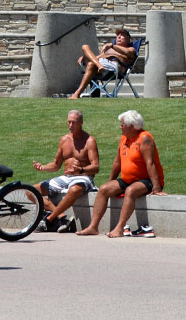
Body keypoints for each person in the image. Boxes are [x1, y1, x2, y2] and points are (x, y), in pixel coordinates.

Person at [78, 110, 163, 239]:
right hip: (127, 179)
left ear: (132, 126)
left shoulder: (145, 139)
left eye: (122, 124)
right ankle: (93, 227)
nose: (120, 127)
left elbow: (150, 164)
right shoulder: (124, 138)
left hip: (145, 180)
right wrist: (110, 181)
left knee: (130, 191)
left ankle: (119, 228)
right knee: (104, 189)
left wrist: (156, 187)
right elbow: (117, 163)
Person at [33, 109, 99, 233]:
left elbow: (96, 167)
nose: (70, 125)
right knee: (31, 191)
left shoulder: (89, 141)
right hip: (65, 178)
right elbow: (56, 165)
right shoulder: (64, 140)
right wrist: (43, 167)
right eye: (69, 122)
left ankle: (48, 220)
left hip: (83, 176)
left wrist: (80, 170)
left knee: (74, 190)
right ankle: (62, 217)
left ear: (81, 122)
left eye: (73, 122)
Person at [70, 29, 136, 99]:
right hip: (101, 65)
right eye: (117, 35)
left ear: (128, 39)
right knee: (85, 47)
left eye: (122, 35)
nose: (118, 37)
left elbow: (127, 52)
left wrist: (112, 46)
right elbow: (97, 57)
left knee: (91, 65)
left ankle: (77, 94)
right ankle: (99, 66)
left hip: (114, 66)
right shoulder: (108, 49)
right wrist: (84, 58)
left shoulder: (131, 49)